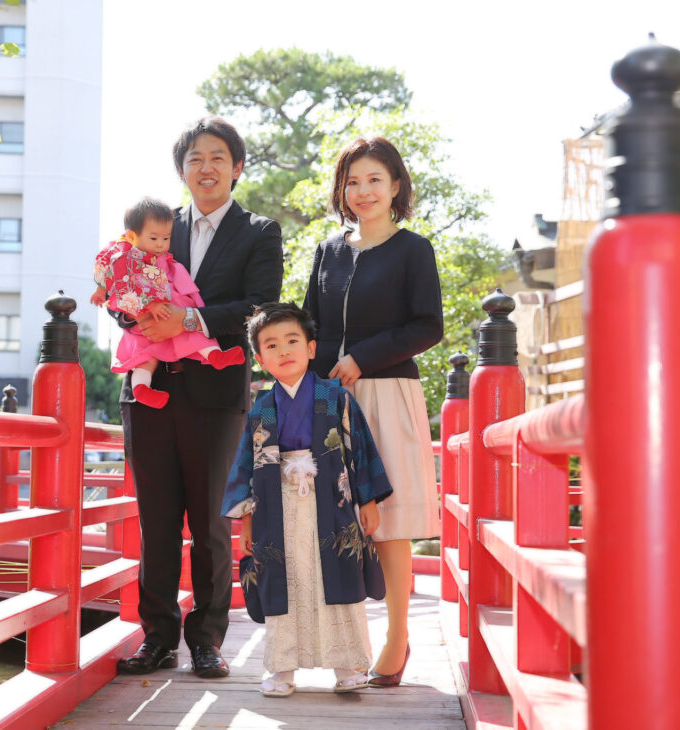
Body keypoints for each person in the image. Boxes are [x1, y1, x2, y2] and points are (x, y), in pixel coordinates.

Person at [115, 117, 284, 678]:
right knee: (156, 519)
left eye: (217, 158)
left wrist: (187, 318)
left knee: (211, 523)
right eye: (194, 159)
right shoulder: (158, 225)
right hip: (151, 392)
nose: (205, 168)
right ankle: (157, 636)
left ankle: (207, 640)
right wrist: (138, 316)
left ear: (236, 168)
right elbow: (123, 285)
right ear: (181, 170)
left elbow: (260, 307)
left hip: (215, 393)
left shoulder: (260, 231)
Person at [303, 136, 443, 687]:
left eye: (374, 180)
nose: (362, 191)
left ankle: (397, 636)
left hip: (386, 392)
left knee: (387, 520)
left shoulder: (414, 250)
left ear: (396, 186)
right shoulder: (328, 251)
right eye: (352, 181)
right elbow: (311, 325)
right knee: (335, 521)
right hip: (330, 399)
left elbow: (427, 326)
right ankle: (344, 644)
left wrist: (363, 356)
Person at [221, 303, 392, 697]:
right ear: (259, 358)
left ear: (312, 348)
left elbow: (358, 449)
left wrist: (367, 501)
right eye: (271, 345)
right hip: (275, 504)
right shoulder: (261, 408)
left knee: (337, 577)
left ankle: (349, 664)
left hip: (332, 498)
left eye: (292, 340)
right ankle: (282, 668)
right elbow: (245, 465)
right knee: (287, 580)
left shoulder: (336, 397)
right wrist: (246, 520)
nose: (284, 350)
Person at [91, 197, 246, 409]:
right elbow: (117, 282)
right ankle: (141, 389)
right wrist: (105, 292)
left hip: (173, 314)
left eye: (166, 239)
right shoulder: (125, 259)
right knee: (145, 356)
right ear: (131, 236)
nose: (161, 245)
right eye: (154, 239)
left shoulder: (158, 249)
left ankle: (215, 355)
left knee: (191, 331)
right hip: (143, 320)